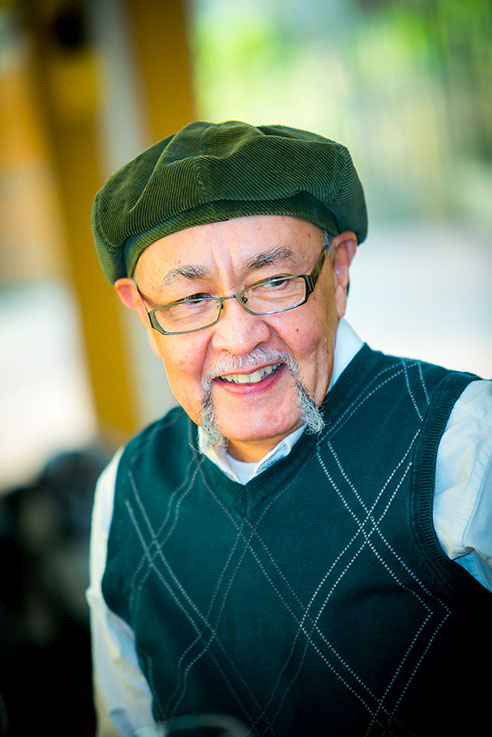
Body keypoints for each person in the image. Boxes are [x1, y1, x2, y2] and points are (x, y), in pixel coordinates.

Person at [87, 120, 492, 737]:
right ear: (142, 311)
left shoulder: (465, 442)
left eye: (274, 282)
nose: (239, 337)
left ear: (340, 270)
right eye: (191, 299)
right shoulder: (127, 490)